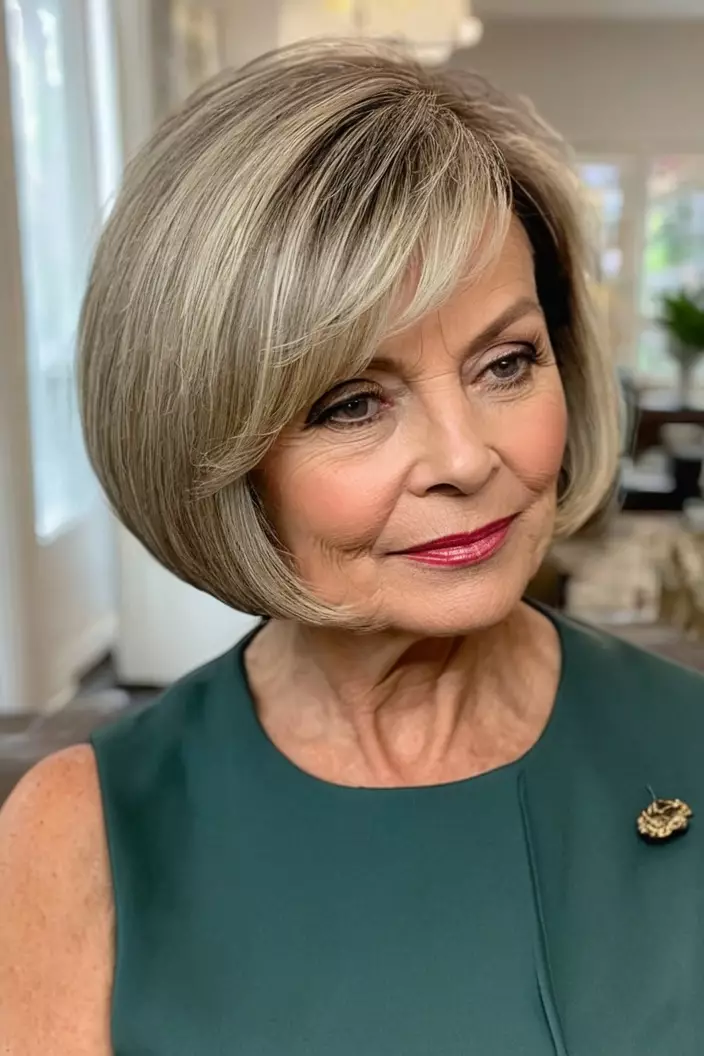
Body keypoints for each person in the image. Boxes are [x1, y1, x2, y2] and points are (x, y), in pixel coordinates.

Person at [1, 39, 703, 1056]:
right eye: (351, 402)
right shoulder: (77, 837)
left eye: (505, 363)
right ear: (214, 446)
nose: (466, 457)